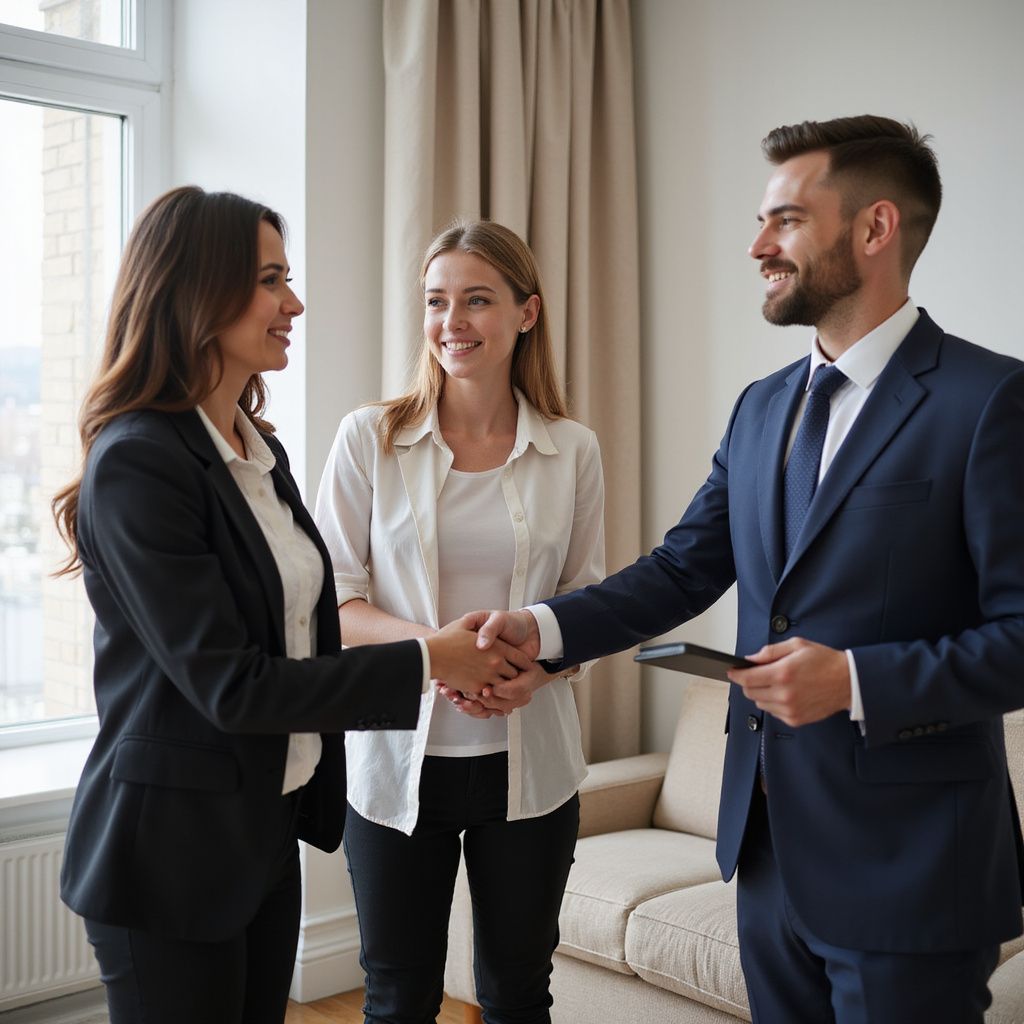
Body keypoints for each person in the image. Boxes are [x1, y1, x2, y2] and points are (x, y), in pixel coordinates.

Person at [471, 116, 1024, 1023]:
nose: (758, 245)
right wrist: (545, 630)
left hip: (913, 866)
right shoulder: (762, 408)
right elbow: (682, 569)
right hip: (766, 856)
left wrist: (851, 680)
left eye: (787, 221)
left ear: (875, 228)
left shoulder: (991, 400)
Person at [51, 187, 529, 1024]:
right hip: (168, 853)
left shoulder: (252, 444)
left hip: (258, 835)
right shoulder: (138, 463)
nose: (293, 303)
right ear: (201, 291)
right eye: (272, 280)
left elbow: (302, 624)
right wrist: (428, 660)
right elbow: (235, 688)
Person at [314, 219, 605, 1023]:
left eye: (477, 300)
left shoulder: (573, 449)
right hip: (391, 765)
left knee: (517, 995)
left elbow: (588, 603)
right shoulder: (369, 438)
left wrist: (537, 672)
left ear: (527, 313)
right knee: (397, 997)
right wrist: (439, 654)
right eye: (437, 301)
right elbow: (331, 605)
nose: (452, 322)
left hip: (531, 769)